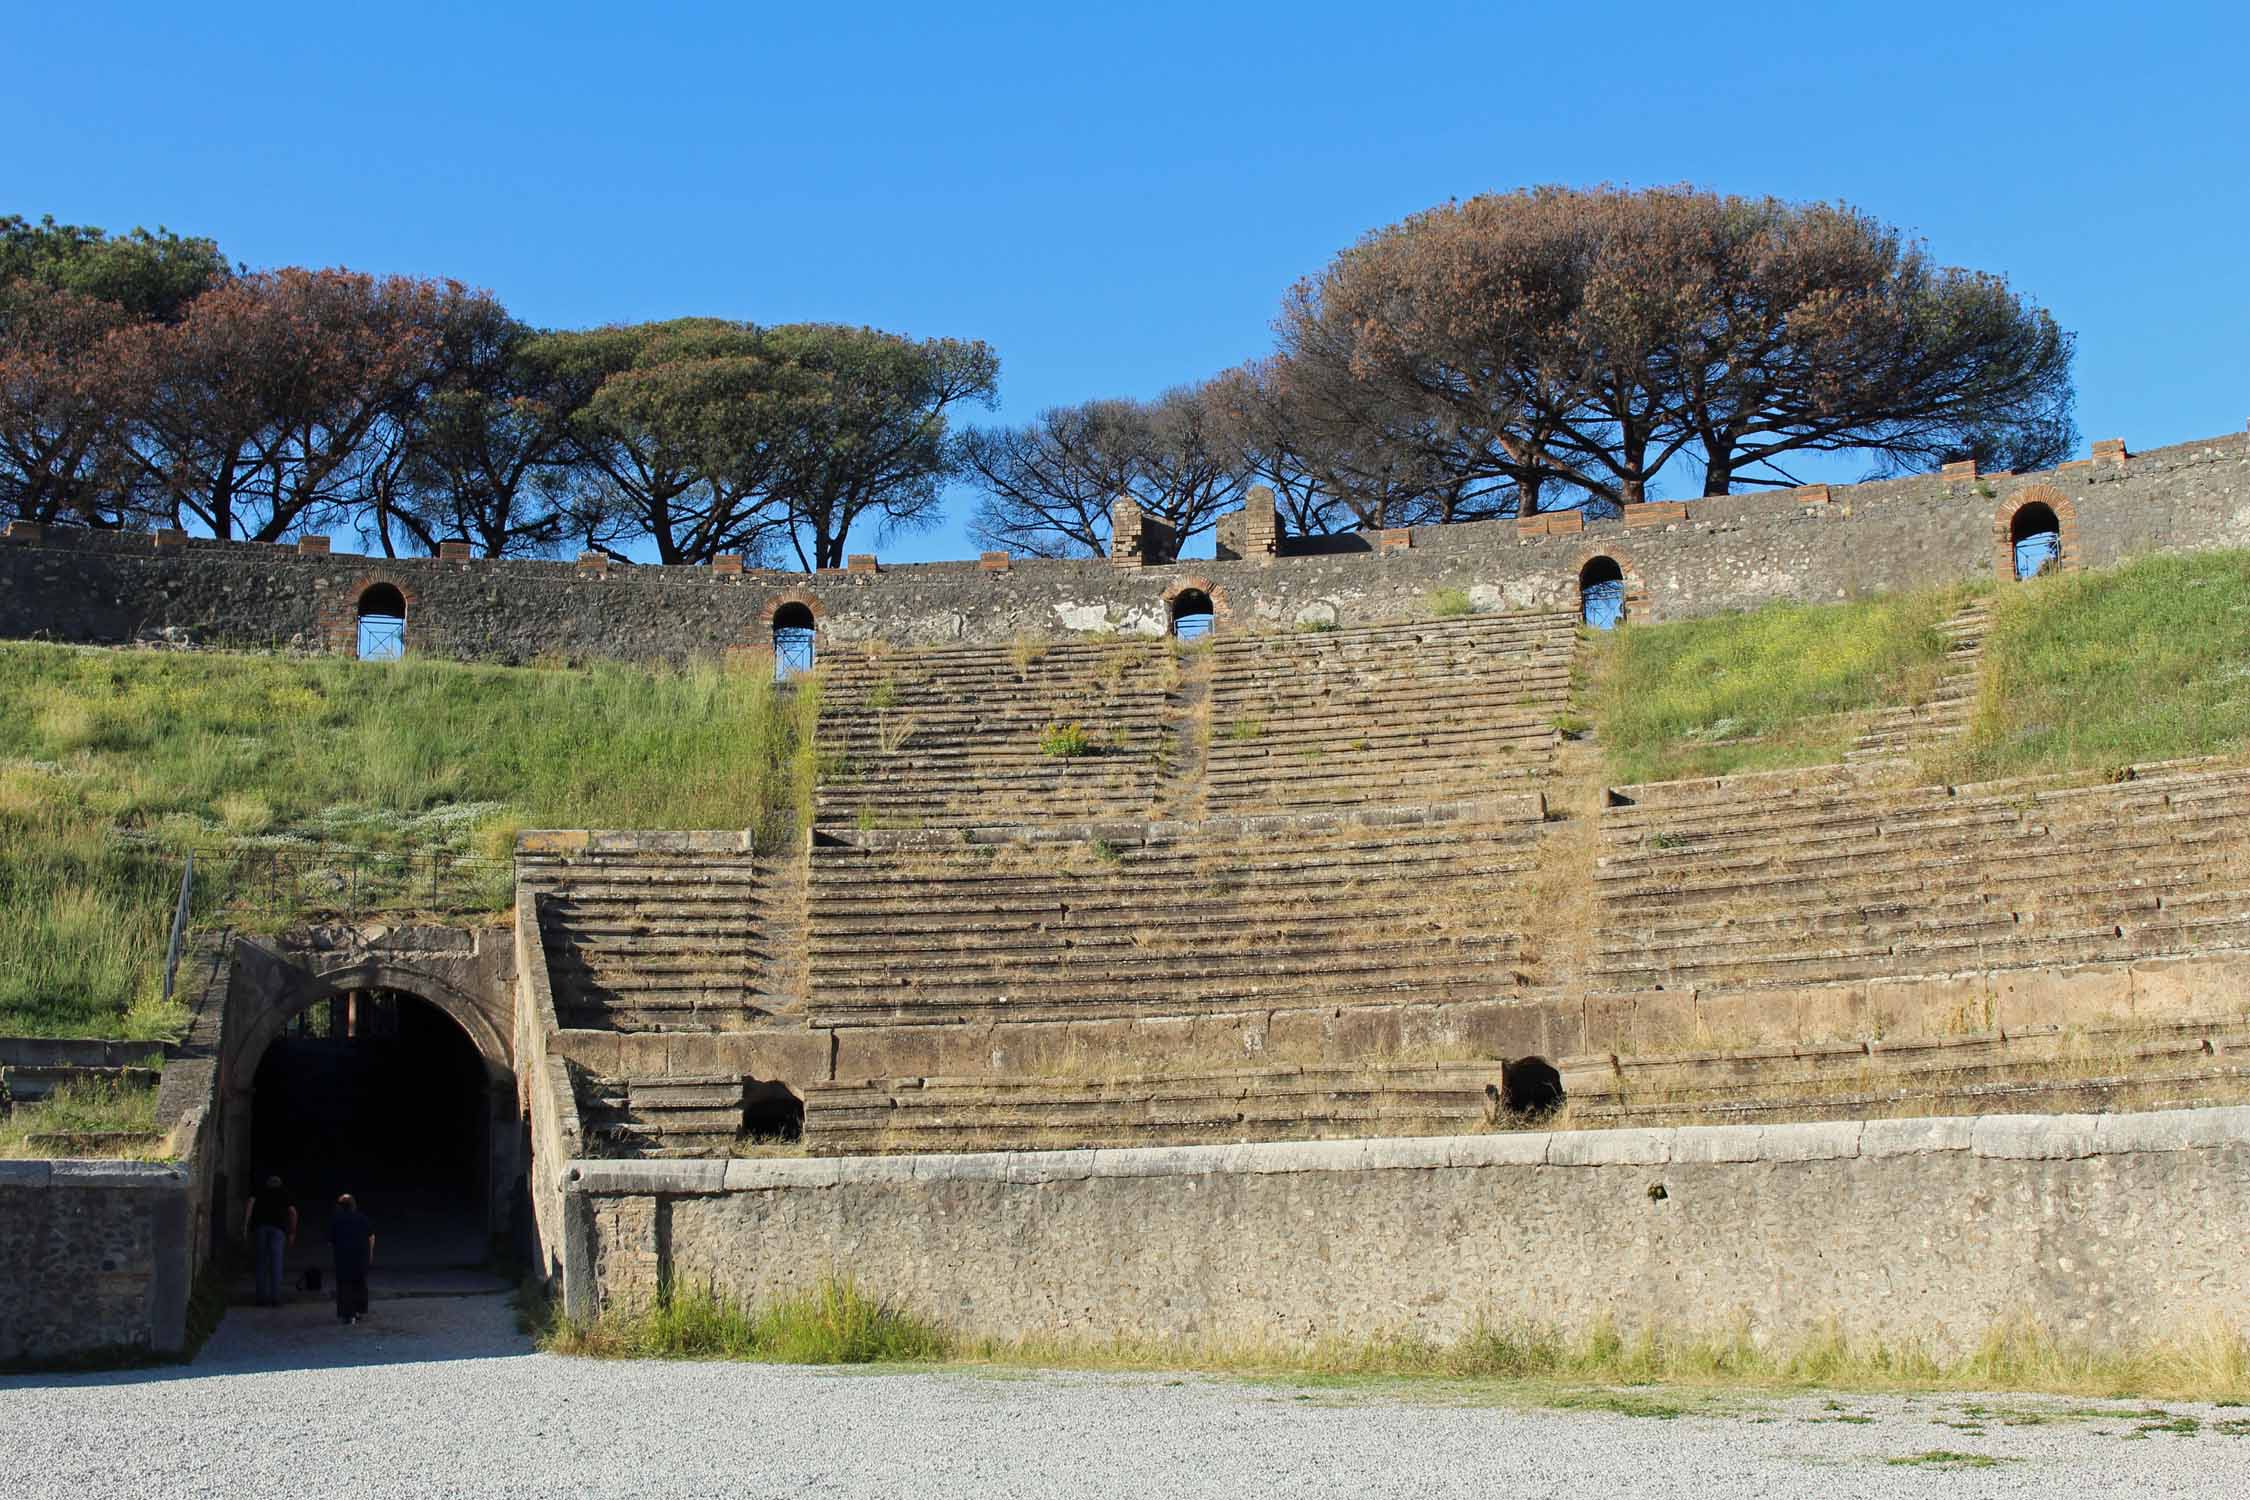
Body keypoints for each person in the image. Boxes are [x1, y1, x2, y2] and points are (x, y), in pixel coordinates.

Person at [241, 1175, 297, 1307]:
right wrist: (292, 1232)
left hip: (261, 1228)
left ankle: (260, 1298)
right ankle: (275, 1298)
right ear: (279, 1184)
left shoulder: (260, 1191)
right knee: (276, 1263)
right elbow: (293, 1212)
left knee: (261, 1263)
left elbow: (250, 1203)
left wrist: (245, 1225)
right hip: (278, 1230)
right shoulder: (284, 1193)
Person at [330, 1192, 376, 1325]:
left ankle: (347, 1314)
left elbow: (331, 1241)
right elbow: (371, 1236)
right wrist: (370, 1253)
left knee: (345, 1286)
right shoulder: (362, 1218)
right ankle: (357, 1311)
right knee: (359, 1284)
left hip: (343, 1258)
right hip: (360, 1257)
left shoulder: (336, 1220)